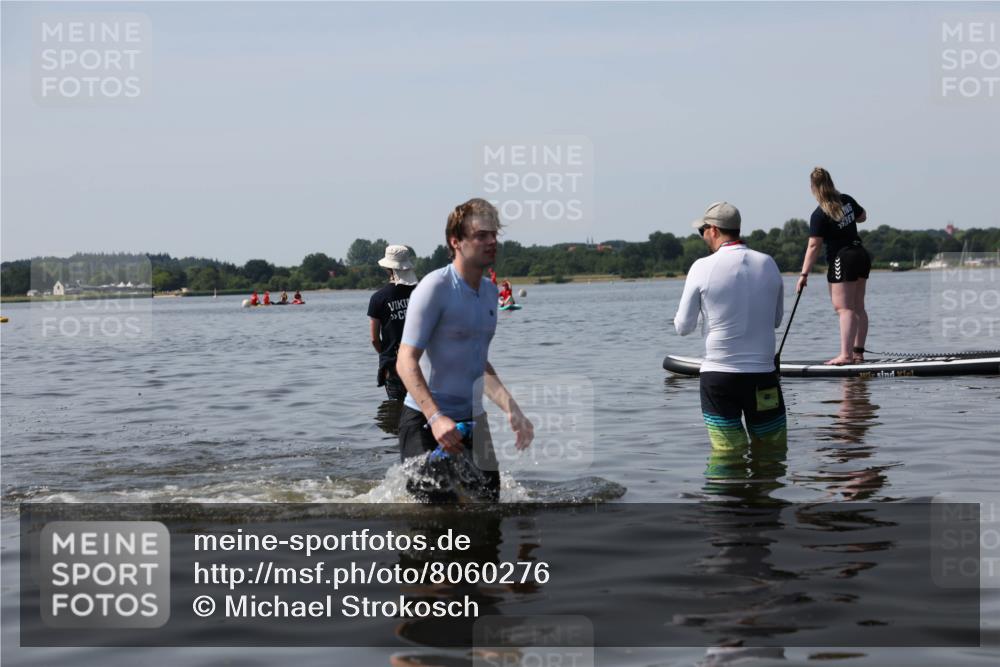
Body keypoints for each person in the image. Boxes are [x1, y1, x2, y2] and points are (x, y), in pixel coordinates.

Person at [396, 198, 534, 502]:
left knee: (489, 507)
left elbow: (478, 362)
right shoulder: (435, 287)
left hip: (472, 419)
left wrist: (512, 409)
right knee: (435, 516)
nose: (492, 242)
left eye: (494, 234)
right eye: (481, 235)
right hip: (425, 420)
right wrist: (436, 418)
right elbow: (405, 361)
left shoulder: (490, 292)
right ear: (455, 241)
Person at [674, 202, 787, 473]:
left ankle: (728, 498)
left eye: (702, 230)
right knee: (772, 453)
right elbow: (776, 320)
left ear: (713, 230)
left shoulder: (701, 267)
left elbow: (683, 327)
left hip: (719, 378)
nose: (702, 236)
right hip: (763, 376)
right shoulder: (768, 263)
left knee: (728, 456)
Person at [797, 167, 870, 365]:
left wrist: (804, 275)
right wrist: (847, 218)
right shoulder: (846, 200)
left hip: (842, 258)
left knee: (844, 308)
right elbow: (863, 216)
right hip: (860, 254)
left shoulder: (819, 214)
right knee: (858, 307)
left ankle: (845, 355)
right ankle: (858, 353)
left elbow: (814, 246)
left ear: (813, 188)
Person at [368, 245, 419, 401]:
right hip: (420, 362)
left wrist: (387, 355)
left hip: (393, 365)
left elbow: (374, 339)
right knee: (422, 408)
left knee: (395, 410)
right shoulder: (420, 292)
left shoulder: (378, 298)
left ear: (388, 269)